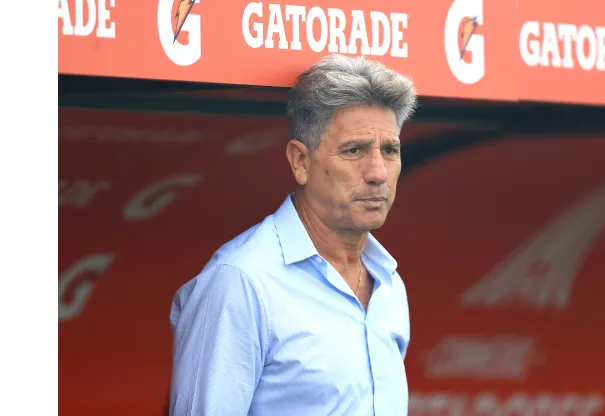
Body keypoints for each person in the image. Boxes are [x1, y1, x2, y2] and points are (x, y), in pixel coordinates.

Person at [168, 54, 418, 415]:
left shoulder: (388, 282)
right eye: (354, 150)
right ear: (300, 161)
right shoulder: (241, 281)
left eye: (390, 150)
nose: (378, 172)